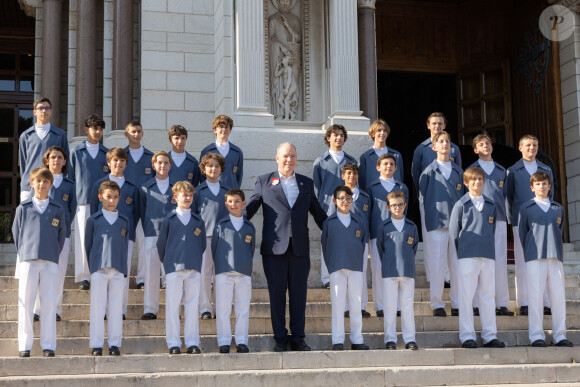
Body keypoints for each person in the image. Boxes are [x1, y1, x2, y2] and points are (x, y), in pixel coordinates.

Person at [246, 142, 327, 352]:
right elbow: (252, 206)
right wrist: (234, 221)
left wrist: (335, 227)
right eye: (285, 156)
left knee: (299, 294)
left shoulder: (305, 183)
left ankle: (298, 337)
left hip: (300, 248)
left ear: (296, 159)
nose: (288, 160)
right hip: (274, 250)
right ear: (277, 158)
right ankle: (280, 337)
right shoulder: (264, 181)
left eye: (292, 156)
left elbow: (317, 212)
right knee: (277, 294)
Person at [449, 167, 506, 349]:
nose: (477, 182)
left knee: (488, 296)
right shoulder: (461, 204)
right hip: (467, 255)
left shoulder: (491, 205)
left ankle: (490, 335)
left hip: (487, 255)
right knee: (466, 297)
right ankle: (467, 336)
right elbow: (454, 233)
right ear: (466, 183)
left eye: (480, 179)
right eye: (473, 180)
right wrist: (463, 251)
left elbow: (492, 230)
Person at [13, 167, 66, 357]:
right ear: (32, 183)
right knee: (26, 303)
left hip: (50, 260)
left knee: (49, 303)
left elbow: (61, 235)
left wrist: (52, 252)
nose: (42, 184)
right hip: (28, 260)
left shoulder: (58, 209)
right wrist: (26, 251)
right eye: (38, 181)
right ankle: (24, 345)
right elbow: (17, 233)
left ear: (51, 184)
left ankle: (48, 345)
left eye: (46, 181)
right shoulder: (23, 208)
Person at [519, 172, 573, 348]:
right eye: (538, 184)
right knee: (535, 297)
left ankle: (560, 335)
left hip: (555, 257)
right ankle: (536, 336)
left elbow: (559, 228)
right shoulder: (526, 208)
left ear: (550, 186)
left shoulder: (558, 208)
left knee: (558, 297)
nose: (541, 187)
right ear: (532, 187)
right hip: (535, 257)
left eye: (544, 184)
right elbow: (523, 234)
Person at [89, 147, 140, 319]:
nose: (118, 164)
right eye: (115, 160)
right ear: (108, 162)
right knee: (102, 273)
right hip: (102, 235)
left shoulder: (132, 187)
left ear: (126, 163)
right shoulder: (99, 184)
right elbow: (94, 211)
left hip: (124, 235)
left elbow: (137, 211)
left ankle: (120, 310)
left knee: (121, 274)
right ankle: (103, 310)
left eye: (122, 161)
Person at [506, 135, 554, 316]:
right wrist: (514, 220)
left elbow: (551, 195)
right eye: (527, 145)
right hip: (521, 221)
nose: (531, 148)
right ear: (520, 148)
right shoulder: (513, 170)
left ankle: (545, 302)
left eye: (534, 145)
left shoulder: (545, 169)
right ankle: (525, 302)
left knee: (544, 262)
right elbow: (509, 197)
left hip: (543, 221)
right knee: (522, 263)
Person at [412, 112, 461, 285]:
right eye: (434, 123)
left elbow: (458, 174)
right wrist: (424, 197)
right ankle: (433, 276)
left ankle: (448, 276)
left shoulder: (454, 148)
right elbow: (416, 174)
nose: (437, 126)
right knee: (431, 240)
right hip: (430, 199)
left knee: (450, 241)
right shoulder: (421, 149)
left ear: (444, 125)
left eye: (440, 123)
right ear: (428, 125)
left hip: (451, 201)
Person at [157, 181, 206, 355]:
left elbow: (202, 245)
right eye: (184, 195)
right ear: (176, 197)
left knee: (192, 305)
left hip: (193, 266)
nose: (188, 198)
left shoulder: (198, 220)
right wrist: (168, 263)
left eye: (190, 195)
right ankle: (173, 342)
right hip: (174, 267)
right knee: (172, 306)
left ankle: (192, 342)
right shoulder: (169, 220)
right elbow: (161, 244)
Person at [419, 130, 463, 317]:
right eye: (441, 142)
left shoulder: (459, 171)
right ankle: (437, 303)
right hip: (436, 223)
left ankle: (457, 303)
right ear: (434, 147)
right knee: (437, 266)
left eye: (447, 142)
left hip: (456, 225)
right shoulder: (428, 171)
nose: (445, 145)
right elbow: (424, 195)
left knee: (456, 266)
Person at [468, 134, 512, 316]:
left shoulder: (502, 170)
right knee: (479, 262)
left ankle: (501, 303)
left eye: (488, 143)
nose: (485, 146)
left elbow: (507, 196)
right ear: (475, 149)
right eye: (481, 144)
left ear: (492, 147)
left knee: (500, 261)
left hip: (499, 219)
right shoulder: (471, 170)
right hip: (478, 221)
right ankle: (478, 304)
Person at [321, 186, 369, 351]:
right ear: (335, 201)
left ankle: (357, 339)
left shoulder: (359, 221)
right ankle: (338, 340)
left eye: (348, 198)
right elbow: (325, 246)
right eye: (341, 198)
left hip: (355, 266)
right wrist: (331, 266)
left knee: (356, 304)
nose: (345, 201)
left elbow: (362, 243)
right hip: (336, 267)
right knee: (338, 305)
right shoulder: (329, 222)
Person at [86, 181, 130, 356]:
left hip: (118, 270)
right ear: (100, 197)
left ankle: (114, 343)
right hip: (99, 268)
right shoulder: (93, 220)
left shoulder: (124, 221)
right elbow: (88, 245)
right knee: (97, 307)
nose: (112, 200)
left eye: (115, 197)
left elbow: (125, 246)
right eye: (108, 197)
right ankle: (97, 344)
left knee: (116, 308)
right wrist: (93, 268)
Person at [33, 147, 76, 322]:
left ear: (64, 162)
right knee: (38, 272)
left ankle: (55, 309)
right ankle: (37, 309)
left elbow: (71, 210)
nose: (56, 160)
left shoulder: (69, 185)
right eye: (53, 157)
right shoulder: (40, 181)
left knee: (58, 272)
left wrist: (64, 228)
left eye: (60, 157)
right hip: (43, 235)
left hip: (62, 235)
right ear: (46, 161)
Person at [313, 124, 357, 288]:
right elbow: (317, 188)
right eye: (335, 135)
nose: (338, 138)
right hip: (328, 208)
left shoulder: (351, 161)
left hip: (348, 207)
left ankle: (346, 273)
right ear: (328, 138)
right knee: (329, 241)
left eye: (341, 135)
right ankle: (327, 277)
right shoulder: (320, 161)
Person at [212, 189, 256, 353]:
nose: (233, 204)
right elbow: (214, 248)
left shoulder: (249, 227)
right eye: (230, 201)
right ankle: (224, 341)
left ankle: (241, 341)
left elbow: (250, 249)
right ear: (226, 204)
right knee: (223, 309)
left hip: (243, 272)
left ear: (243, 203)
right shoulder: (221, 225)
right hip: (224, 272)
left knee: (242, 309)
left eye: (237, 201)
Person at [69, 114, 109, 290]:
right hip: (82, 202)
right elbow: (70, 179)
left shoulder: (107, 154)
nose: (98, 132)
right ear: (87, 130)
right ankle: (84, 276)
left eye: (100, 129)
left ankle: (100, 271)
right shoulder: (76, 152)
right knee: (83, 240)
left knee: (102, 239)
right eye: (95, 128)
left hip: (103, 204)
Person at [367, 154, 409, 317]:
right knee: (378, 270)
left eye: (392, 164)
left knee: (397, 270)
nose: (389, 166)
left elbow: (405, 208)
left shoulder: (402, 187)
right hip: (378, 232)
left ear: (396, 168)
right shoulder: (372, 187)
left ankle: (396, 306)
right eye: (385, 164)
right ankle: (380, 305)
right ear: (378, 167)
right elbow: (369, 210)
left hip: (398, 233)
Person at [328, 163, 371, 318]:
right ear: (343, 176)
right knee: (343, 273)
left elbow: (369, 219)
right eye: (348, 173)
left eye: (354, 173)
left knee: (361, 272)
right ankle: (346, 307)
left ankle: (361, 306)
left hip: (361, 240)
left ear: (358, 176)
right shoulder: (338, 196)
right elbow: (331, 218)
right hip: (342, 241)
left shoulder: (365, 197)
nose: (351, 176)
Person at [376, 191, 419, 350]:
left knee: (407, 306)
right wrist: (388, 263)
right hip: (389, 271)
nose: (397, 207)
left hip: (407, 271)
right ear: (388, 207)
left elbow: (413, 248)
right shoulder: (383, 227)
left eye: (400, 204)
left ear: (405, 205)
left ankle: (409, 339)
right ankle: (390, 339)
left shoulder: (411, 226)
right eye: (394, 205)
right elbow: (380, 248)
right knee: (390, 306)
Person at [139, 151, 176, 320]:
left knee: (172, 275)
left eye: (166, 163)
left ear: (170, 165)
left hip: (171, 236)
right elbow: (141, 211)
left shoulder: (176, 188)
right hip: (151, 234)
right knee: (151, 273)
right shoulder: (145, 188)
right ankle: (150, 309)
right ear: (153, 165)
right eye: (159, 163)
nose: (162, 166)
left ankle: (173, 309)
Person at [192, 153, 230, 320]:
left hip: (223, 239)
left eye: (216, 166)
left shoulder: (227, 191)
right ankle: (205, 307)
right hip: (204, 238)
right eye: (209, 166)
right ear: (203, 169)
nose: (213, 169)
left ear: (221, 169)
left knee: (221, 275)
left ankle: (221, 307)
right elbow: (193, 215)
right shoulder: (198, 191)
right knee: (205, 273)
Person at [18, 97, 69, 203]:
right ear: (34, 112)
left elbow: (65, 161)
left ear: (51, 111)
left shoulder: (60, 135)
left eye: (47, 108)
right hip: (29, 186)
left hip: (52, 185)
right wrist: (27, 181)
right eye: (40, 108)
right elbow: (23, 164)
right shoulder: (26, 136)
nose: (44, 111)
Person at [123, 120, 155, 290]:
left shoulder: (151, 158)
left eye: (139, 131)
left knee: (144, 242)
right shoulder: (121, 156)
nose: (136, 134)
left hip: (145, 205)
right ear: (126, 134)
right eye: (133, 131)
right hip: (125, 205)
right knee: (125, 243)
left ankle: (142, 278)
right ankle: (124, 276)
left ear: (143, 134)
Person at [358, 119, 403, 192]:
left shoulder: (396, 155)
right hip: (374, 199)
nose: (382, 133)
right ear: (373, 134)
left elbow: (400, 178)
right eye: (379, 130)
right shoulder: (365, 157)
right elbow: (362, 183)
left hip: (394, 198)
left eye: (385, 130)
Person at [200, 115, 243, 189]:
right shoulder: (207, 151)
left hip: (231, 194)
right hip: (212, 193)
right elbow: (202, 175)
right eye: (221, 126)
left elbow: (239, 176)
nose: (224, 129)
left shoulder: (237, 152)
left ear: (230, 130)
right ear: (215, 130)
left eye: (227, 127)